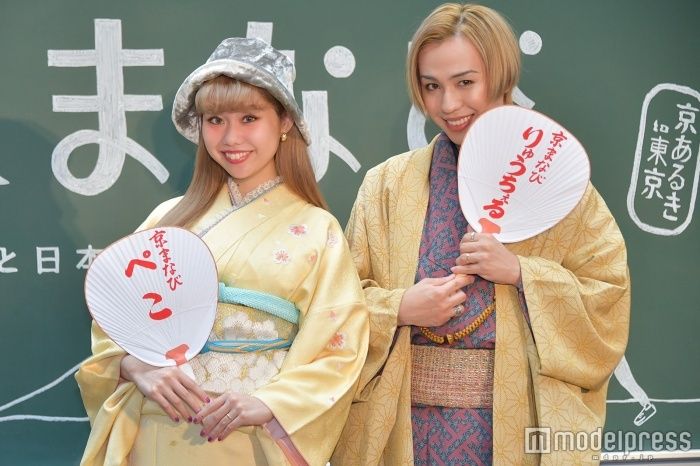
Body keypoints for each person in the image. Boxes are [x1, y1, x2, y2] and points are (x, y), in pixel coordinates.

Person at [332, 4, 630, 465]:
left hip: (515, 419)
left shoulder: (561, 187)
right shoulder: (386, 185)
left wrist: (522, 273)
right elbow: (335, 305)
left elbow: (606, 299)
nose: (448, 105)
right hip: (403, 424)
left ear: (501, 75)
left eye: (465, 82)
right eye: (432, 86)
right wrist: (399, 307)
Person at [76, 37, 368, 466]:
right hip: (159, 429)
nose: (231, 137)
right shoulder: (167, 219)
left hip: (252, 434)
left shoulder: (317, 229)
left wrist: (271, 402)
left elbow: (340, 347)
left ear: (284, 120)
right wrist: (135, 367)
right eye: (215, 120)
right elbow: (114, 319)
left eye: (250, 118)